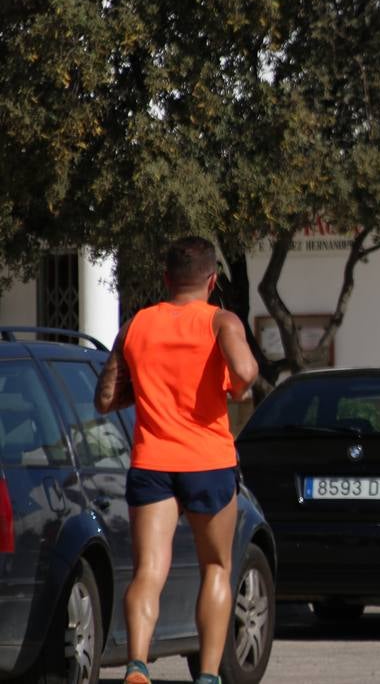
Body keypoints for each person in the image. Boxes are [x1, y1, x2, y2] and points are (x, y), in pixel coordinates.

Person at [95, 237, 258, 684]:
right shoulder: (222, 322)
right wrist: (237, 392)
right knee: (216, 567)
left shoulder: (136, 325)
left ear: (166, 279)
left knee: (149, 570)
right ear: (213, 280)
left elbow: (105, 397)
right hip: (208, 462)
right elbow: (245, 372)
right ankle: (206, 676)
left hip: (152, 462)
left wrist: (145, 391)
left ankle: (136, 668)